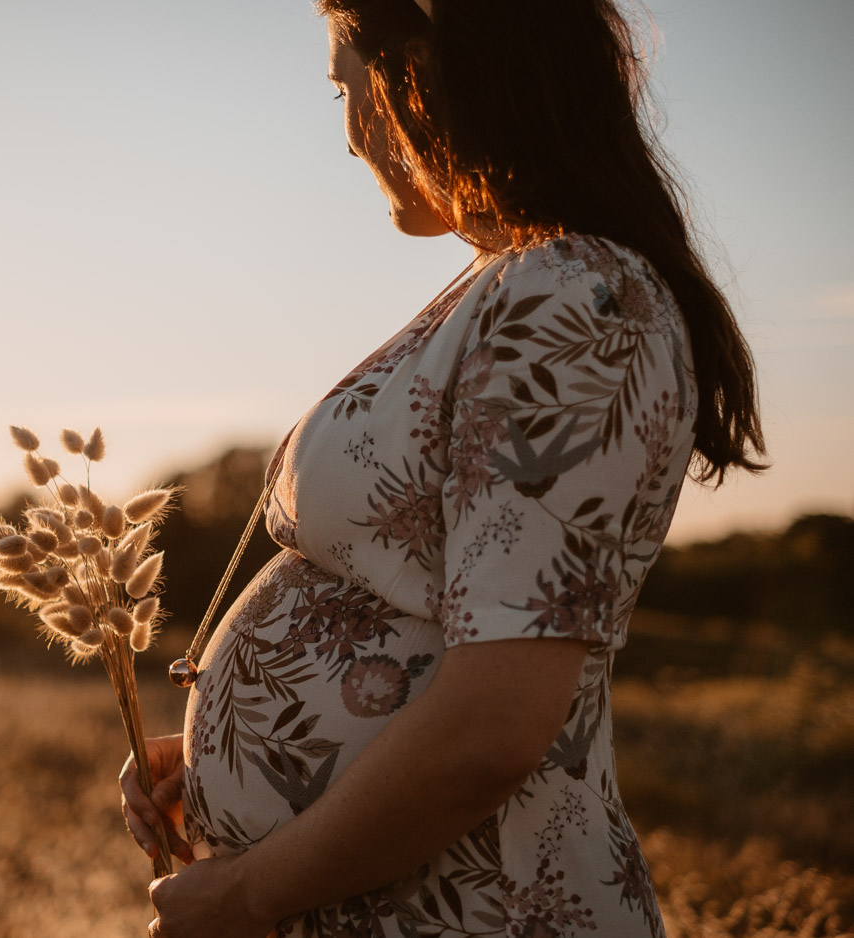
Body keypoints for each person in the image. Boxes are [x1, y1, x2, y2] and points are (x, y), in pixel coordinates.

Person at [119, 1, 765, 936]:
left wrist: (248, 893)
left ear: (427, 67)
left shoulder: (577, 296)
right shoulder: (509, 279)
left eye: (347, 86)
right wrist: (232, 751)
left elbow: (493, 724)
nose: (347, 136)